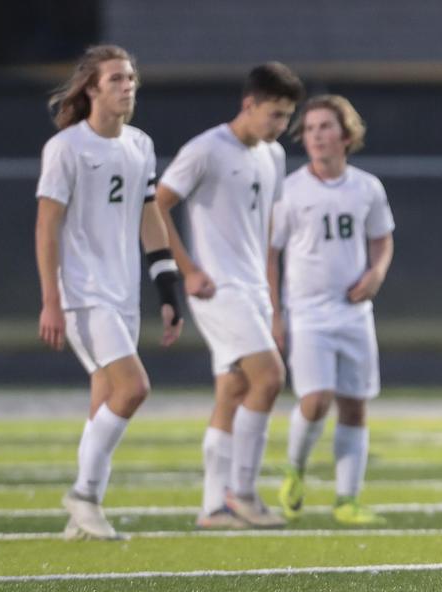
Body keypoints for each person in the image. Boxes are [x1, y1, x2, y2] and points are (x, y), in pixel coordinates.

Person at [36, 45, 184, 540]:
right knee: (133, 387)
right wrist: (52, 300)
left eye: (132, 79)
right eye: (117, 78)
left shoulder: (139, 145)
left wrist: (168, 289)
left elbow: (150, 218)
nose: (128, 87)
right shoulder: (67, 148)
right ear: (92, 88)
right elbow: (46, 228)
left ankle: (84, 510)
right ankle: (83, 495)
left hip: (124, 293)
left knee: (104, 398)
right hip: (83, 294)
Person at [155, 62, 305, 529]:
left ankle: (212, 508)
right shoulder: (206, 149)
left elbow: (265, 233)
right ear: (249, 104)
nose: (280, 126)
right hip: (218, 288)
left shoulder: (273, 155)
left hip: (253, 289)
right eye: (274, 115)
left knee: (234, 389)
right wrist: (188, 269)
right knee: (270, 378)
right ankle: (242, 492)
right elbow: (156, 204)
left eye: (286, 118)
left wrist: (274, 303)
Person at [269, 95, 395, 526]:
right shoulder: (290, 189)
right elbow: (271, 252)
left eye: (325, 127)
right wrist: (275, 312)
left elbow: (382, 238)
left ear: (345, 134)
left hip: (354, 313)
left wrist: (376, 273)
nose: (316, 135)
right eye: (309, 128)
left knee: (355, 406)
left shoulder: (367, 187)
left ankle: (347, 499)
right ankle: (295, 468)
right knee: (316, 399)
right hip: (306, 313)